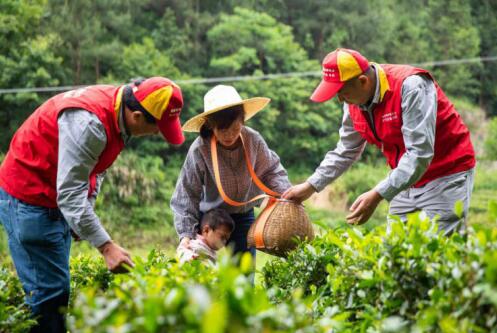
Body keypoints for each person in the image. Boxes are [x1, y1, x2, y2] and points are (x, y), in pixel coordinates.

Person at [0, 77, 184, 333]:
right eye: (157, 127)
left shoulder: (119, 110)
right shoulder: (91, 124)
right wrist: (107, 247)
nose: (157, 133)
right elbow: (70, 195)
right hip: (29, 197)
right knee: (49, 295)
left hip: (52, 196)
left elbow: (96, 168)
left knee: (55, 287)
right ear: (138, 116)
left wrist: (86, 209)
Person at [283, 48, 475, 234]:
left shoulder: (411, 86)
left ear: (363, 81)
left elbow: (419, 153)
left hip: (445, 175)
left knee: (438, 254)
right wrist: (310, 186)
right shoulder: (353, 102)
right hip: (405, 181)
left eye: (342, 92)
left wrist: (377, 194)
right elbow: (346, 150)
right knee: (396, 253)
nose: (340, 99)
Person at [171, 84, 291, 262]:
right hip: (210, 219)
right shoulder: (199, 149)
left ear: (243, 121)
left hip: (242, 215)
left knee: (244, 273)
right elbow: (187, 194)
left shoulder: (253, 139)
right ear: (211, 126)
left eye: (235, 129)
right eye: (222, 130)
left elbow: (271, 171)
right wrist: (186, 236)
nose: (229, 136)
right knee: (203, 271)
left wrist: (287, 196)